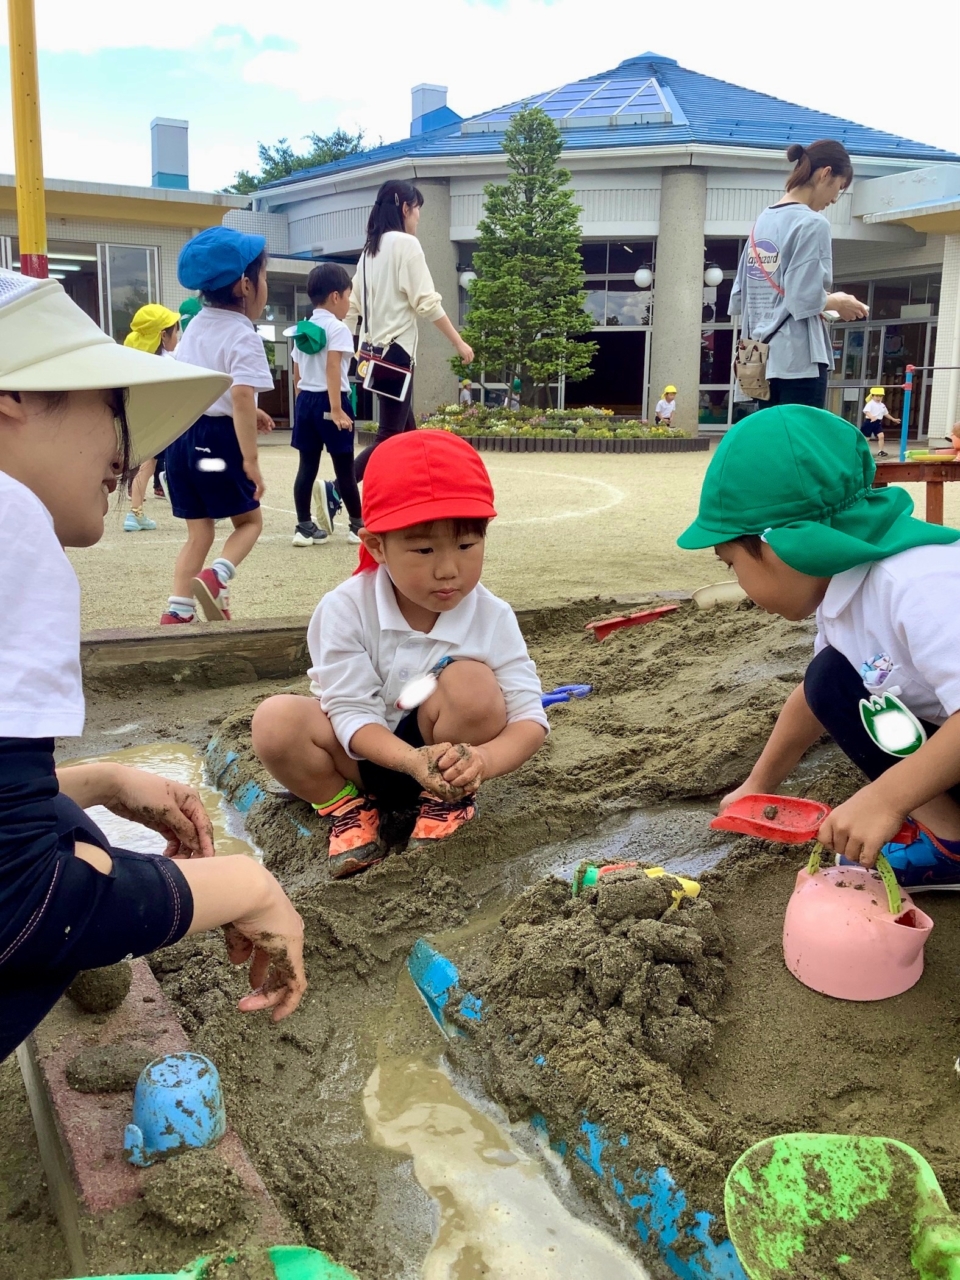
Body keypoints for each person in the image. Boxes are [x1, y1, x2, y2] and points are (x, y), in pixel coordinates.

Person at [0, 268, 306, 1061]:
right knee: (68, 853)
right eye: (114, 403)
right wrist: (245, 885)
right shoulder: (10, 524)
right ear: (13, 398)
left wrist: (101, 779)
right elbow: (18, 900)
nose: (129, 448)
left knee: (67, 822)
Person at [677, 404, 960, 891]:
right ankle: (947, 830)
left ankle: (951, 842)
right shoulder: (841, 586)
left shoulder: (917, 584)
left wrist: (886, 799)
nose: (739, 584)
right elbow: (814, 700)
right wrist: (758, 785)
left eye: (731, 564)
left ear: (782, 544)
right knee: (830, 678)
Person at [251, 430, 549, 879]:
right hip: (355, 761)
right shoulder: (345, 608)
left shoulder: (492, 616)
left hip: (447, 766)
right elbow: (350, 711)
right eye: (424, 549)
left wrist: (483, 762)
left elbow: (529, 718)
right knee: (275, 721)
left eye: (466, 545)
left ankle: (446, 802)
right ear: (377, 546)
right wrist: (409, 761)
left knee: (471, 682)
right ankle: (346, 808)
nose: (448, 569)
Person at [162, 227, 275, 625]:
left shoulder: (194, 327)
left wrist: (248, 412)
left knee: (199, 533)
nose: (265, 286)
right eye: (264, 277)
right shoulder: (243, 334)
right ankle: (217, 578)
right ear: (245, 285)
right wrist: (251, 460)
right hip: (219, 448)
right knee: (249, 522)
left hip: (184, 442)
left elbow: (202, 385)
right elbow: (241, 395)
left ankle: (178, 611)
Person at [347, 180, 474, 480]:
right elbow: (427, 303)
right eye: (417, 210)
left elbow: (352, 308)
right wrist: (458, 342)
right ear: (405, 208)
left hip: (372, 356)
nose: (418, 218)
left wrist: (345, 354)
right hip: (397, 356)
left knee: (407, 433)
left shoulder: (368, 252)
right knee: (389, 436)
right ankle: (338, 487)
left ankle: (419, 489)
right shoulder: (406, 245)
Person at [730, 140, 869, 410]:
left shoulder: (762, 222)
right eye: (839, 188)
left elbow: (739, 297)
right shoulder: (812, 223)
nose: (834, 199)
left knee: (774, 435)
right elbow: (803, 299)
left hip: (760, 359)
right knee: (803, 435)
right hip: (799, 360)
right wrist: (838, 302)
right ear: (825, 173)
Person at [287, 263, 363, 548]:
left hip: (306, 399)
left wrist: (302, 403)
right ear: (335, 296)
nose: (349, 303)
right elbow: (333, 367)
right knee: (344, 468)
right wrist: (336, 409)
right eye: (348, 296)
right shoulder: (338, 328)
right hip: (332, 399)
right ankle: (357, 526)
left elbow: (297, 373)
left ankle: (304, 527)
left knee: (306, 466)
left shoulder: (302, 329)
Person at [122, 304, 180, 532]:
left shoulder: (134, 358)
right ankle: (206, 509)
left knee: (146, 466)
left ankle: (135, 513)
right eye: (175, 332)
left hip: (142, 420)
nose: (177, 337)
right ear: (163, 335)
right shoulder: (168, 363)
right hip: (167, 422)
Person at [861, 387, 899, 458]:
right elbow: (866, 411)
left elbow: (886, 413)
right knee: (866, 438)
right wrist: (872, 417)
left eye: (880, 396)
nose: (878, 398)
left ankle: (881, 451)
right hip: (869, 422)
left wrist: (893, 419)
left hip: (877, 422)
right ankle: (861, 450)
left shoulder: (882, 405)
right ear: (872, 396)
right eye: (877, 396)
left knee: (881, 436)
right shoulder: (870, 403)